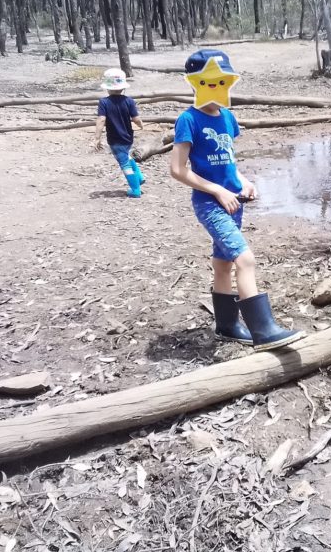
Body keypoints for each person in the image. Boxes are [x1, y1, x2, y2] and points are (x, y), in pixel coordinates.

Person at [169, 49, 302, 351]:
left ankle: (227, 325)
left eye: (223, 82)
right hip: (210, 203)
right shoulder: (188, 119)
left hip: (235, 202)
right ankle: (263, 331)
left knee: (223, 264)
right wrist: (217, 190)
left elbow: (228, 162)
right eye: (210, 82)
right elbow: (177, 170)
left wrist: (243, 182)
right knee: (245, 259)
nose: (218, 88)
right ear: (195, 83)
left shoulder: (228, 117)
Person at [94, 68, 145, 198]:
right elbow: (136, 118)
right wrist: (141, 125)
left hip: (114, 139)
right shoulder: (129, 101)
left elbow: (101, 120)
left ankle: (135, 189)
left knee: (124, 163)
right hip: (128, 137)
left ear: (107, 88)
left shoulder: (104, 102)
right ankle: (139, 177)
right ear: (123, 87)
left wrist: (97, 137)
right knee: (126, 155)